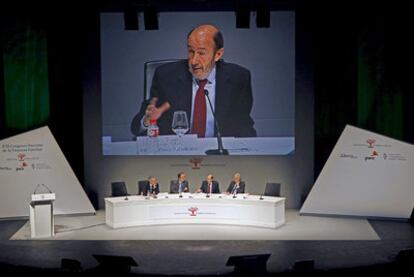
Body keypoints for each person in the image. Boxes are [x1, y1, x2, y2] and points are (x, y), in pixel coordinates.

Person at [131, 24, 256, 138]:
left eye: (201, 53)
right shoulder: (166, 76)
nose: (194, 61)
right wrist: (147, 121)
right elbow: (137, 126)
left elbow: (243, 124)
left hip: (218, 156)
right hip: (176, 155)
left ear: (218, 54)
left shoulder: (238, 78)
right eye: (191, 51)